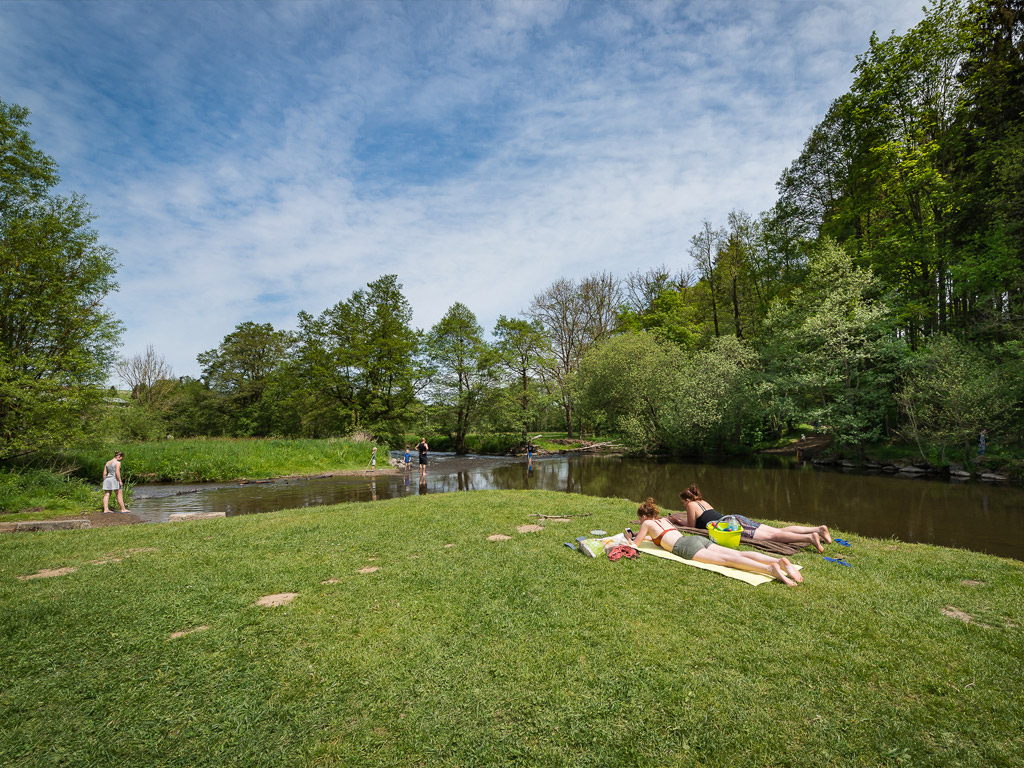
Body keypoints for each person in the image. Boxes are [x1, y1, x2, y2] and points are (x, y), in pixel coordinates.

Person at [626, 498, 801, 586]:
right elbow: (661, 537)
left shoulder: (647, 524)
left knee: (728, 561)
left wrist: (629, 539)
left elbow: (635, 545)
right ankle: (778, 561)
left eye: (640, 519)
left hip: (685, 547)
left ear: (643, 517)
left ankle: (769, 569)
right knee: (736, 553)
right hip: (695, 539)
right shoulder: (664, 520)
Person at [679, 484, 830, 553]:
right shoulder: (703, 502)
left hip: (731, 525)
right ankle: (818, 529)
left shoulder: (691, 505)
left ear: (687, 500)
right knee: (777, 530)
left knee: (772, 537)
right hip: (736, 518)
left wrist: (678, 521)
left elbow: (691, 526)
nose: (683, 505)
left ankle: (810, 537)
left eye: (682, 502)